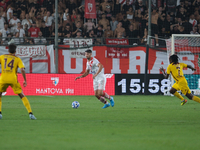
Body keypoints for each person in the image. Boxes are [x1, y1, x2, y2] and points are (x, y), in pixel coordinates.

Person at [0, 44, 36, 119]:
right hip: (13, 79)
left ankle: (0, 113)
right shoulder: (17, 59)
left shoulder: (2, 57)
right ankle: (30, 113)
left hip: (3, 79)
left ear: (8, 50)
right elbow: (22, 69)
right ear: (15, 51)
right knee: (21, 95)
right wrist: (25, 80)